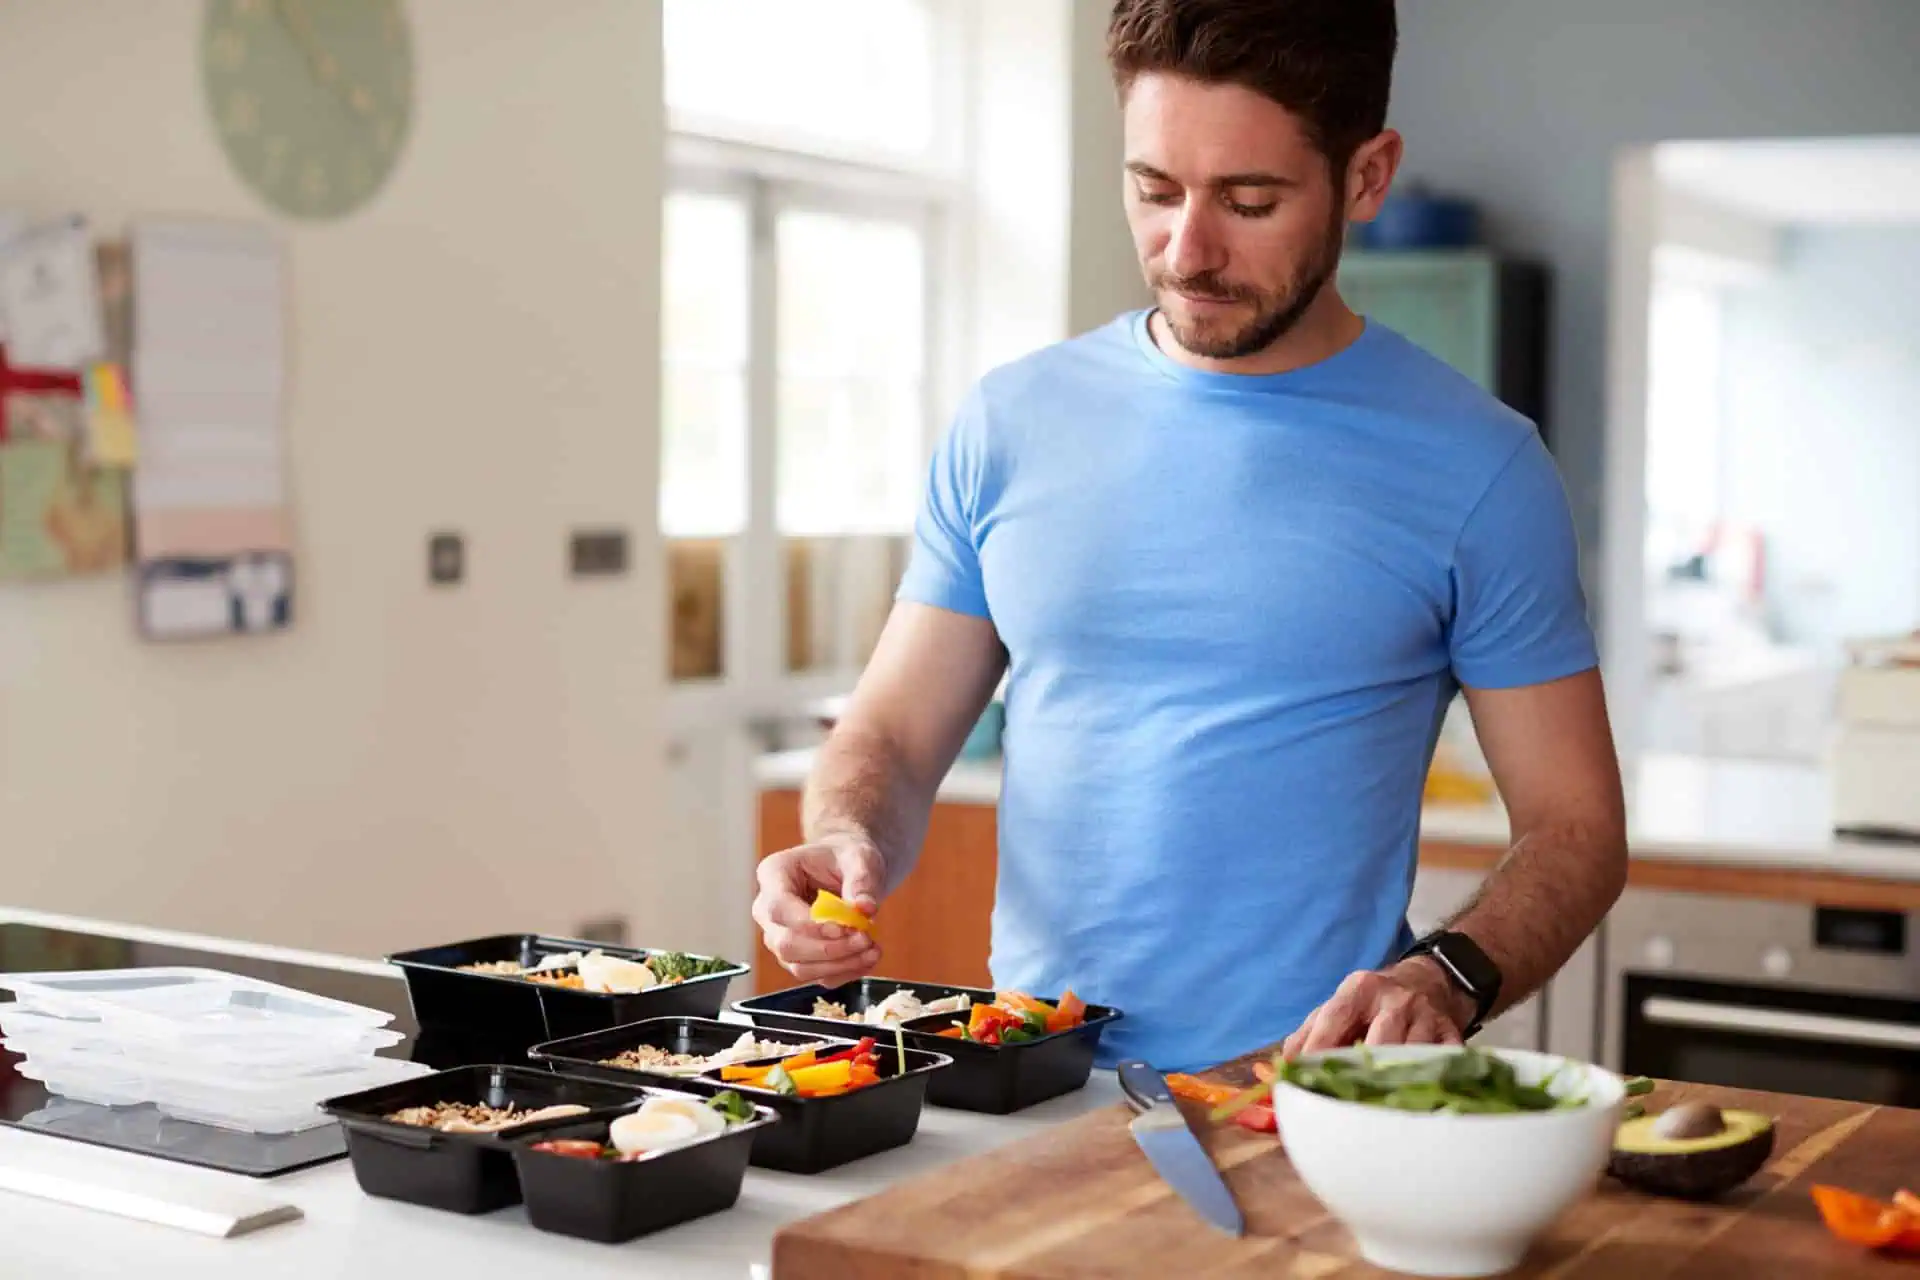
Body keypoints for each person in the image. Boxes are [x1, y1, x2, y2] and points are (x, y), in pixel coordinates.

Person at [752, 0, 1628, 1073]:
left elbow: (1575, 830)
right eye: (1153, 189)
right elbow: (889, 732)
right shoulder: (1012, 422)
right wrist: (849, 834)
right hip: (1030, 1075)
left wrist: (1446, 973)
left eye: (1250, 200)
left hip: (1306, 1093)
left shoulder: (1480, 469)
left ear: (1367, 175)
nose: (1188, 249)